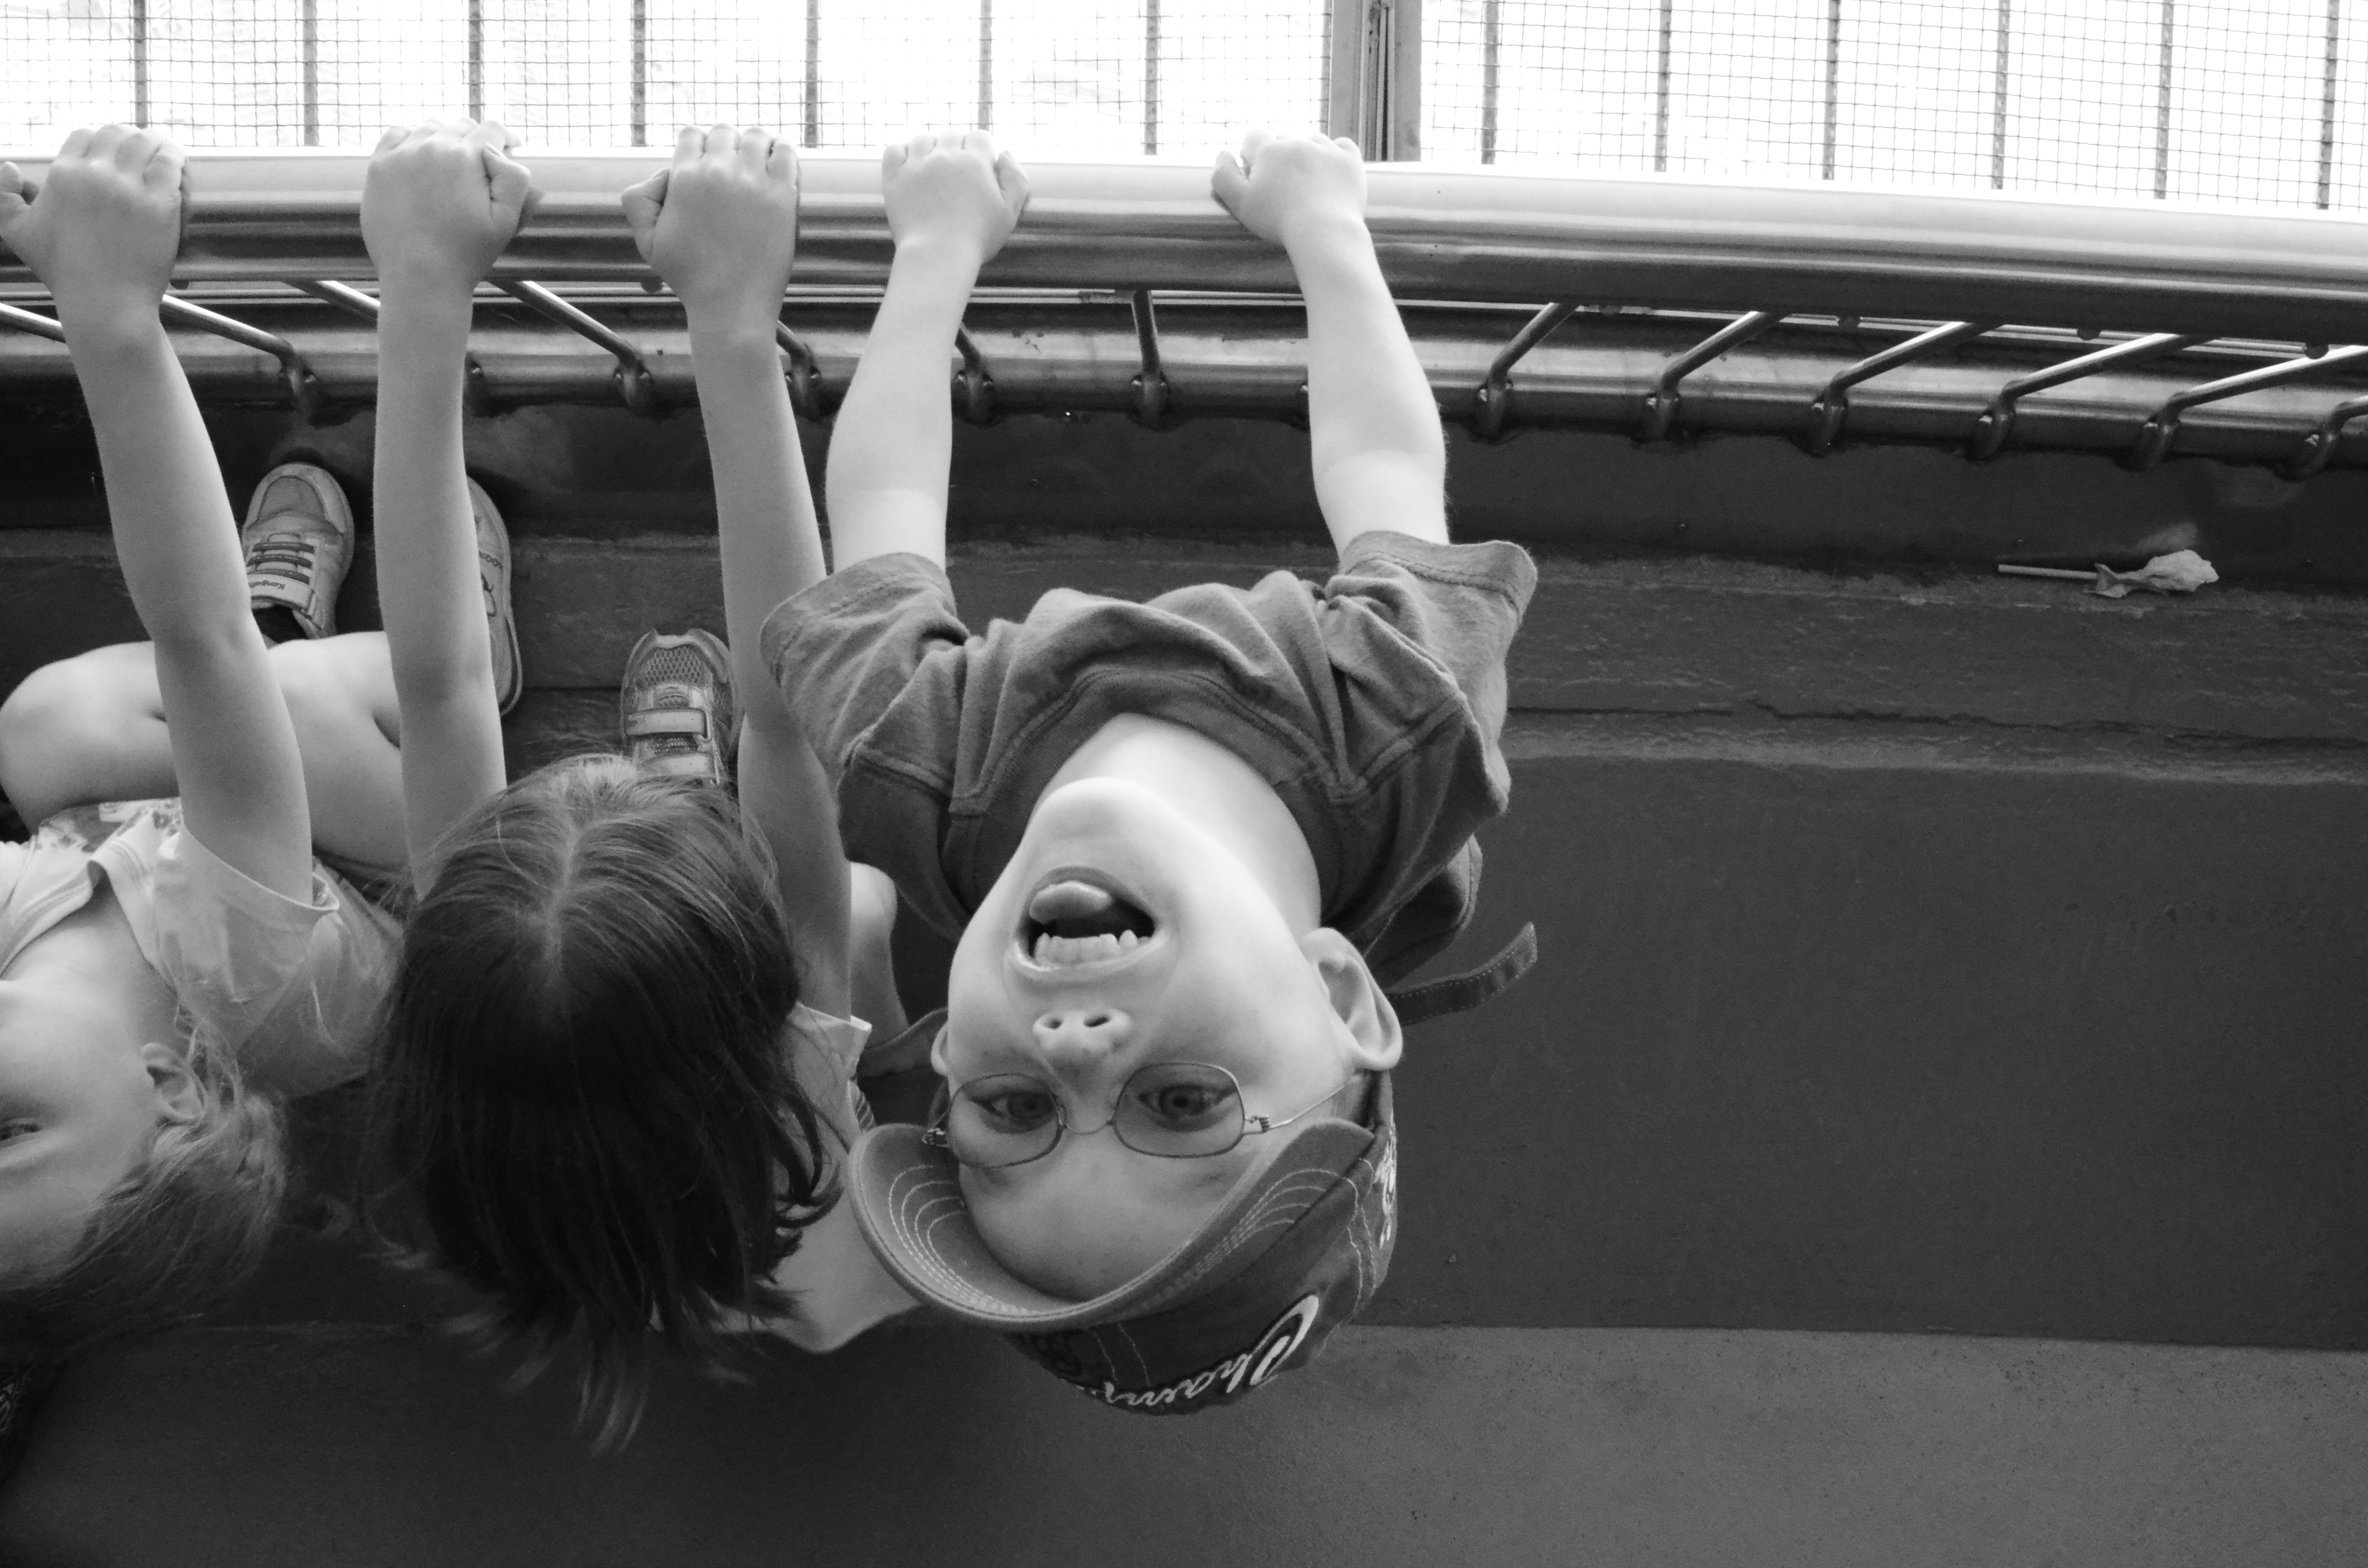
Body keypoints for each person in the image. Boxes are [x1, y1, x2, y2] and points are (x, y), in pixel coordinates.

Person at [764, 127, 1536, 1412]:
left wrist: (935, 247)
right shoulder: (1402, 726)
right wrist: (1325, 226)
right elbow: (1388, 469)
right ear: (1339, 995)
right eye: (1183, 1104)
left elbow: (883, 517)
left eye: (1010, 1108)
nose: (1074, 1049)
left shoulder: (920, 778)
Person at [357, 119, 907, 1448]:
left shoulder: (486, 1011)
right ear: (770, 993)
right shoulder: (798, 1067)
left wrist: (421, 302)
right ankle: (890, 1040)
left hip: (638, 1193)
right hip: (815, 1220)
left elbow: (440, 687)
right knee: (867, 903)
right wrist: (730, 320)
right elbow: (778, 715)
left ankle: (698, 808)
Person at [0, 128, 403, 1358]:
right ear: (166, 1086)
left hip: (185, 823)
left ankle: (292, 627)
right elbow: (198, 639)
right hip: (384, 852)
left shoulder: (23, 972)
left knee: (40, 734)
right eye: (9, 1135)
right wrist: (109, 311)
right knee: (280, 698)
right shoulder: (246, 967)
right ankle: (454, 645)